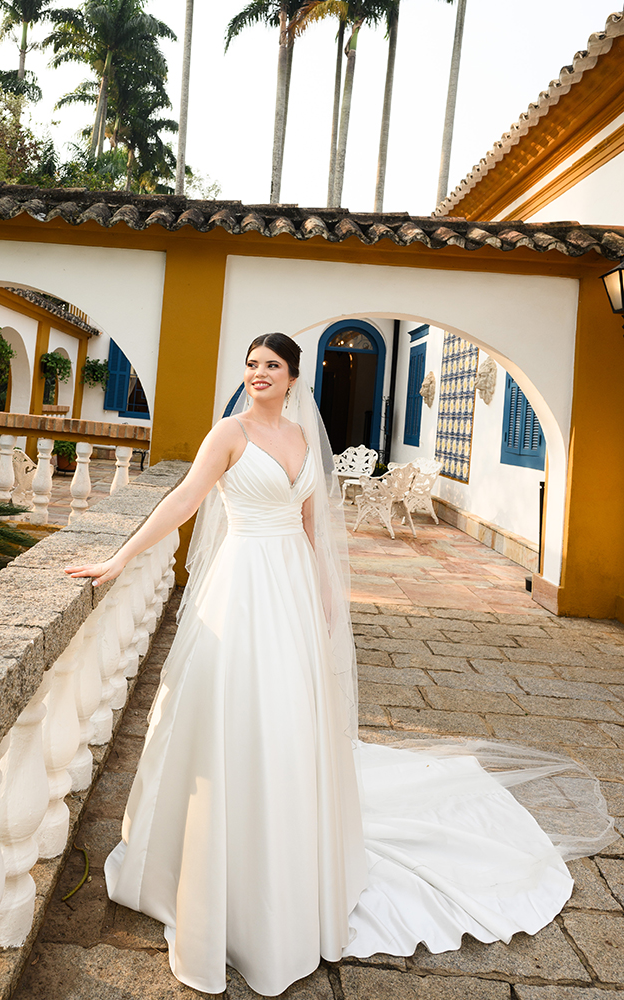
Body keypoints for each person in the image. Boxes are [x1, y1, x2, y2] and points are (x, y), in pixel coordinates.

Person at [66, 332, 613, 997]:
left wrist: (323, 602)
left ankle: (283, 852)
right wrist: (117, 559)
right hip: (240, 588)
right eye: (251, 365)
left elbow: (309, 528)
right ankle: (215, 860)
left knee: (288, 724)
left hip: (290, 592)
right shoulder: (228, 434)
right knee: (233, 715)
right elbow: (183, 502)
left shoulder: (300, 441)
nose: (258, 373)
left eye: (271, 365)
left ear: (295, 377)